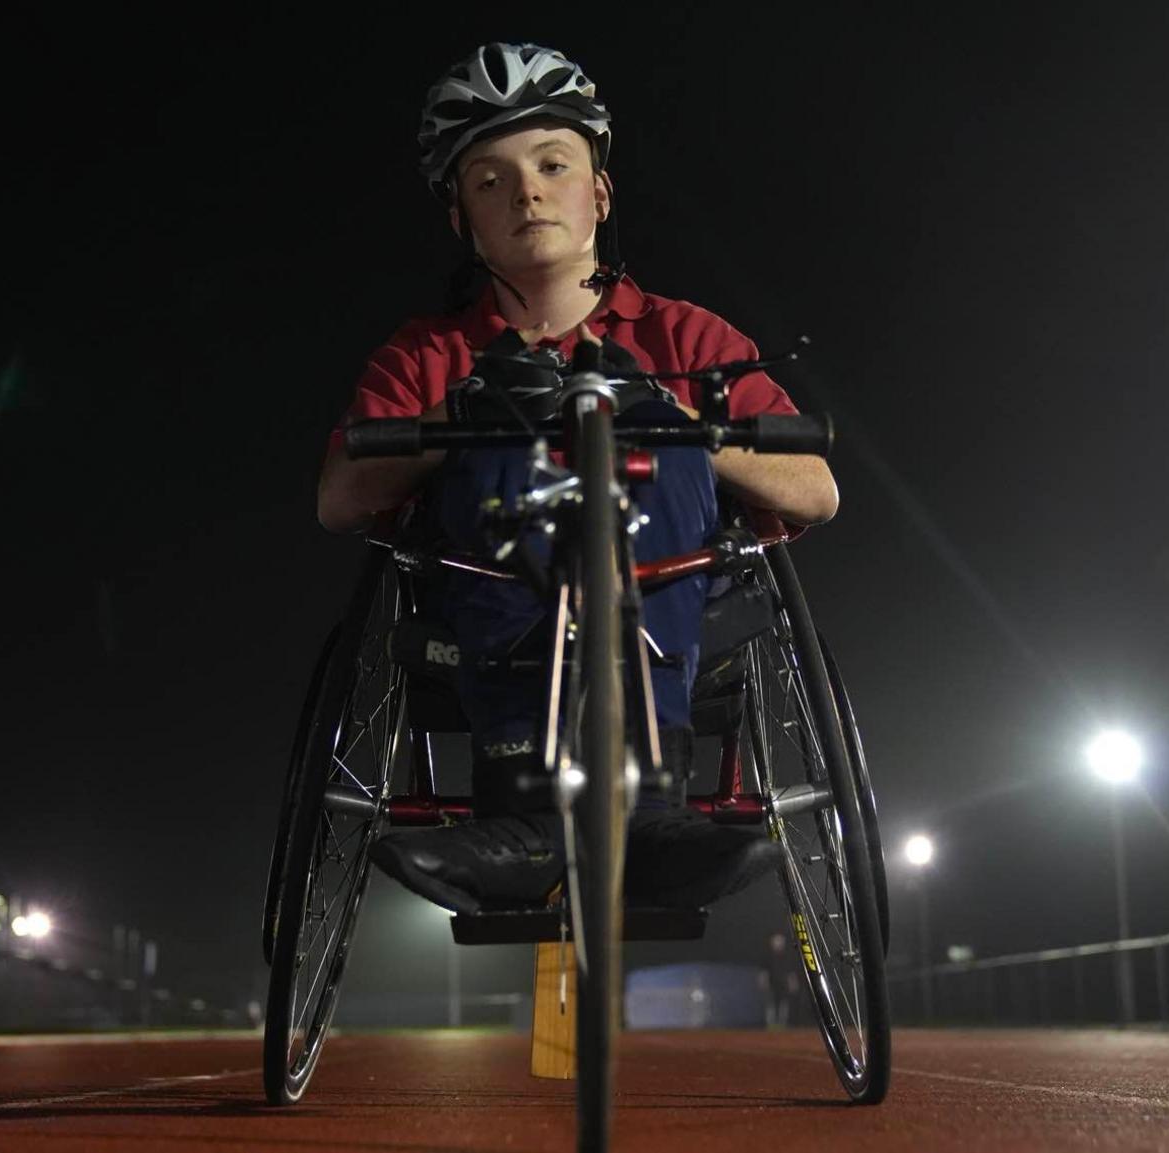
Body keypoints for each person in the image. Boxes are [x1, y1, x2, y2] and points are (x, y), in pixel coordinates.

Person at [316, 42, 838, 915]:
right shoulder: (426, 353)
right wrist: (465, 413)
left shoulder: (687, 335)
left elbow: (815, 489)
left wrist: (668, 419)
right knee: (509, 420)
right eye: (490, 180)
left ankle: (646, 808)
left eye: (552, 165)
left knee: (634, 417)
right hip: (486, 613)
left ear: (597, 191)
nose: (525, 192)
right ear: (462, 220)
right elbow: (339, 498)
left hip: (672, 609)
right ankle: (524, 811)